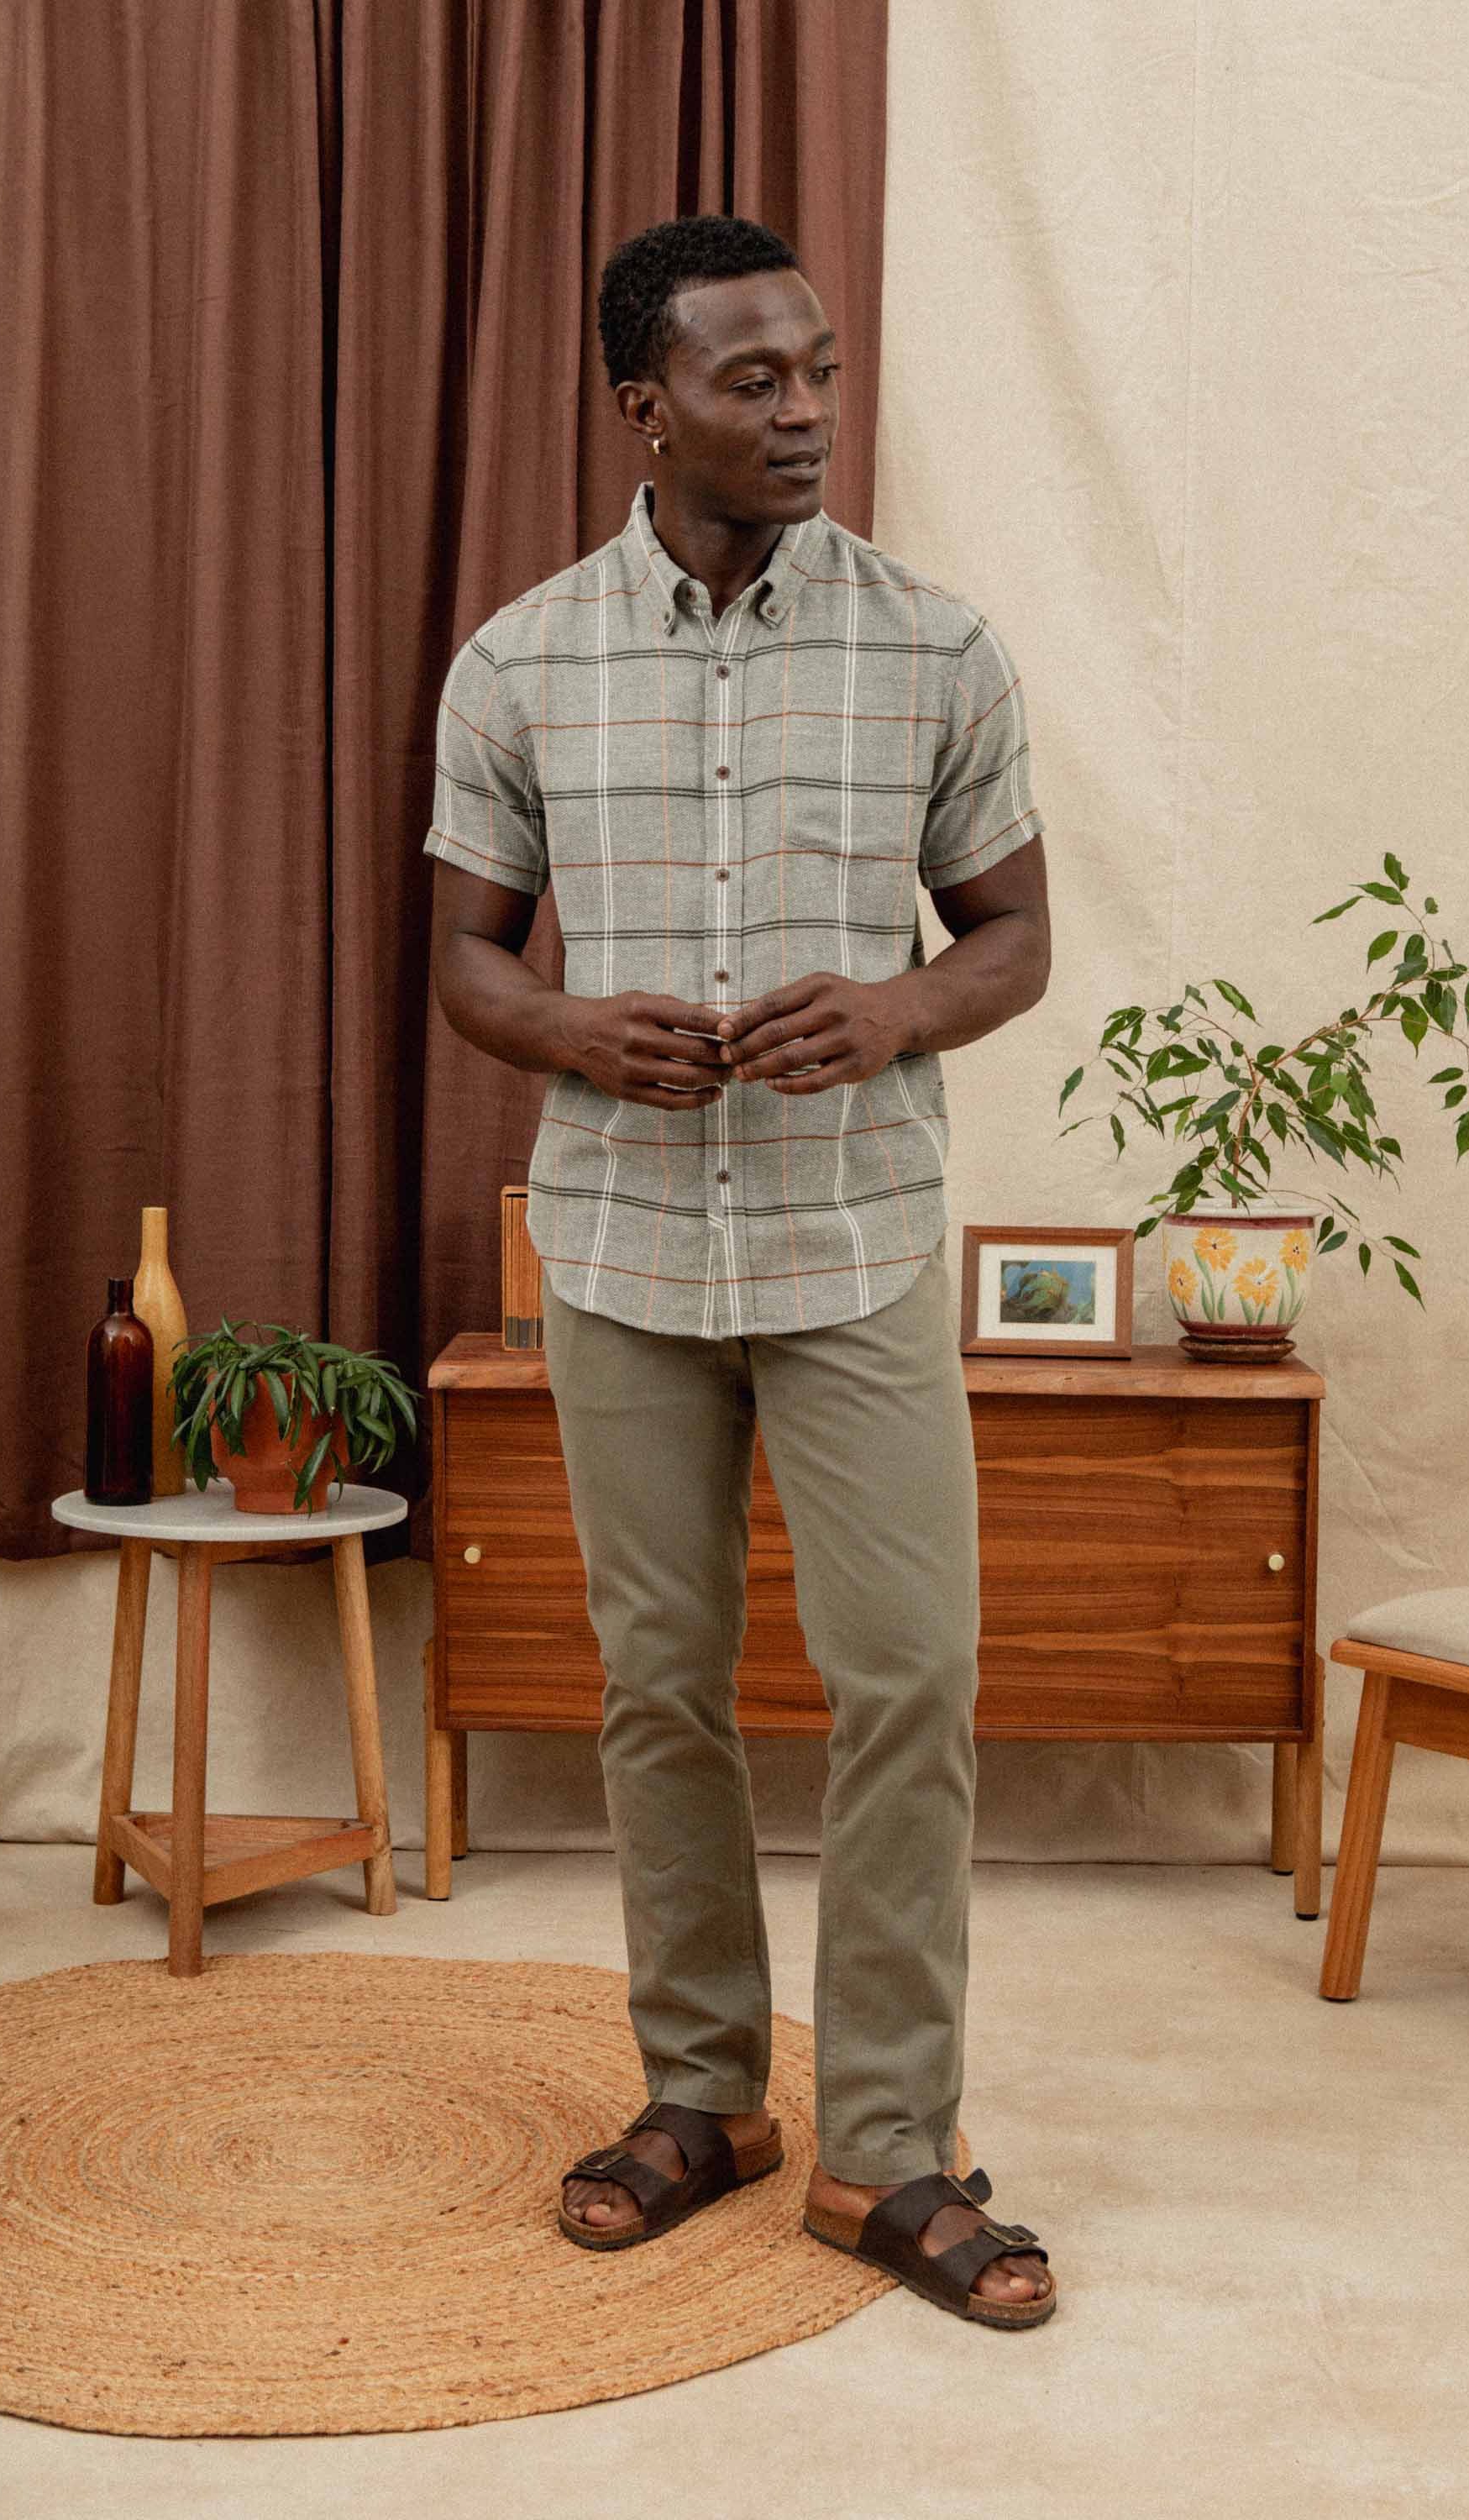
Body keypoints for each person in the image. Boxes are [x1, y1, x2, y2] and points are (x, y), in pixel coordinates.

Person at [426, 213, 1057, 2329]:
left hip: (855, 1237)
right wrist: (571, 1029)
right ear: (644, 404)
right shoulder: (516, 660)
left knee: (912, 1681)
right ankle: (702, 2098)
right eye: (751, 381)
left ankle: (890, 2146)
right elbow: (465, 965)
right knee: (653, 1687)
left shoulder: (935, 647)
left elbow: (1010, 938)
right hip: (615, 1246)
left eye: (817, 372)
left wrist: (895, 1009)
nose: (802, 412)